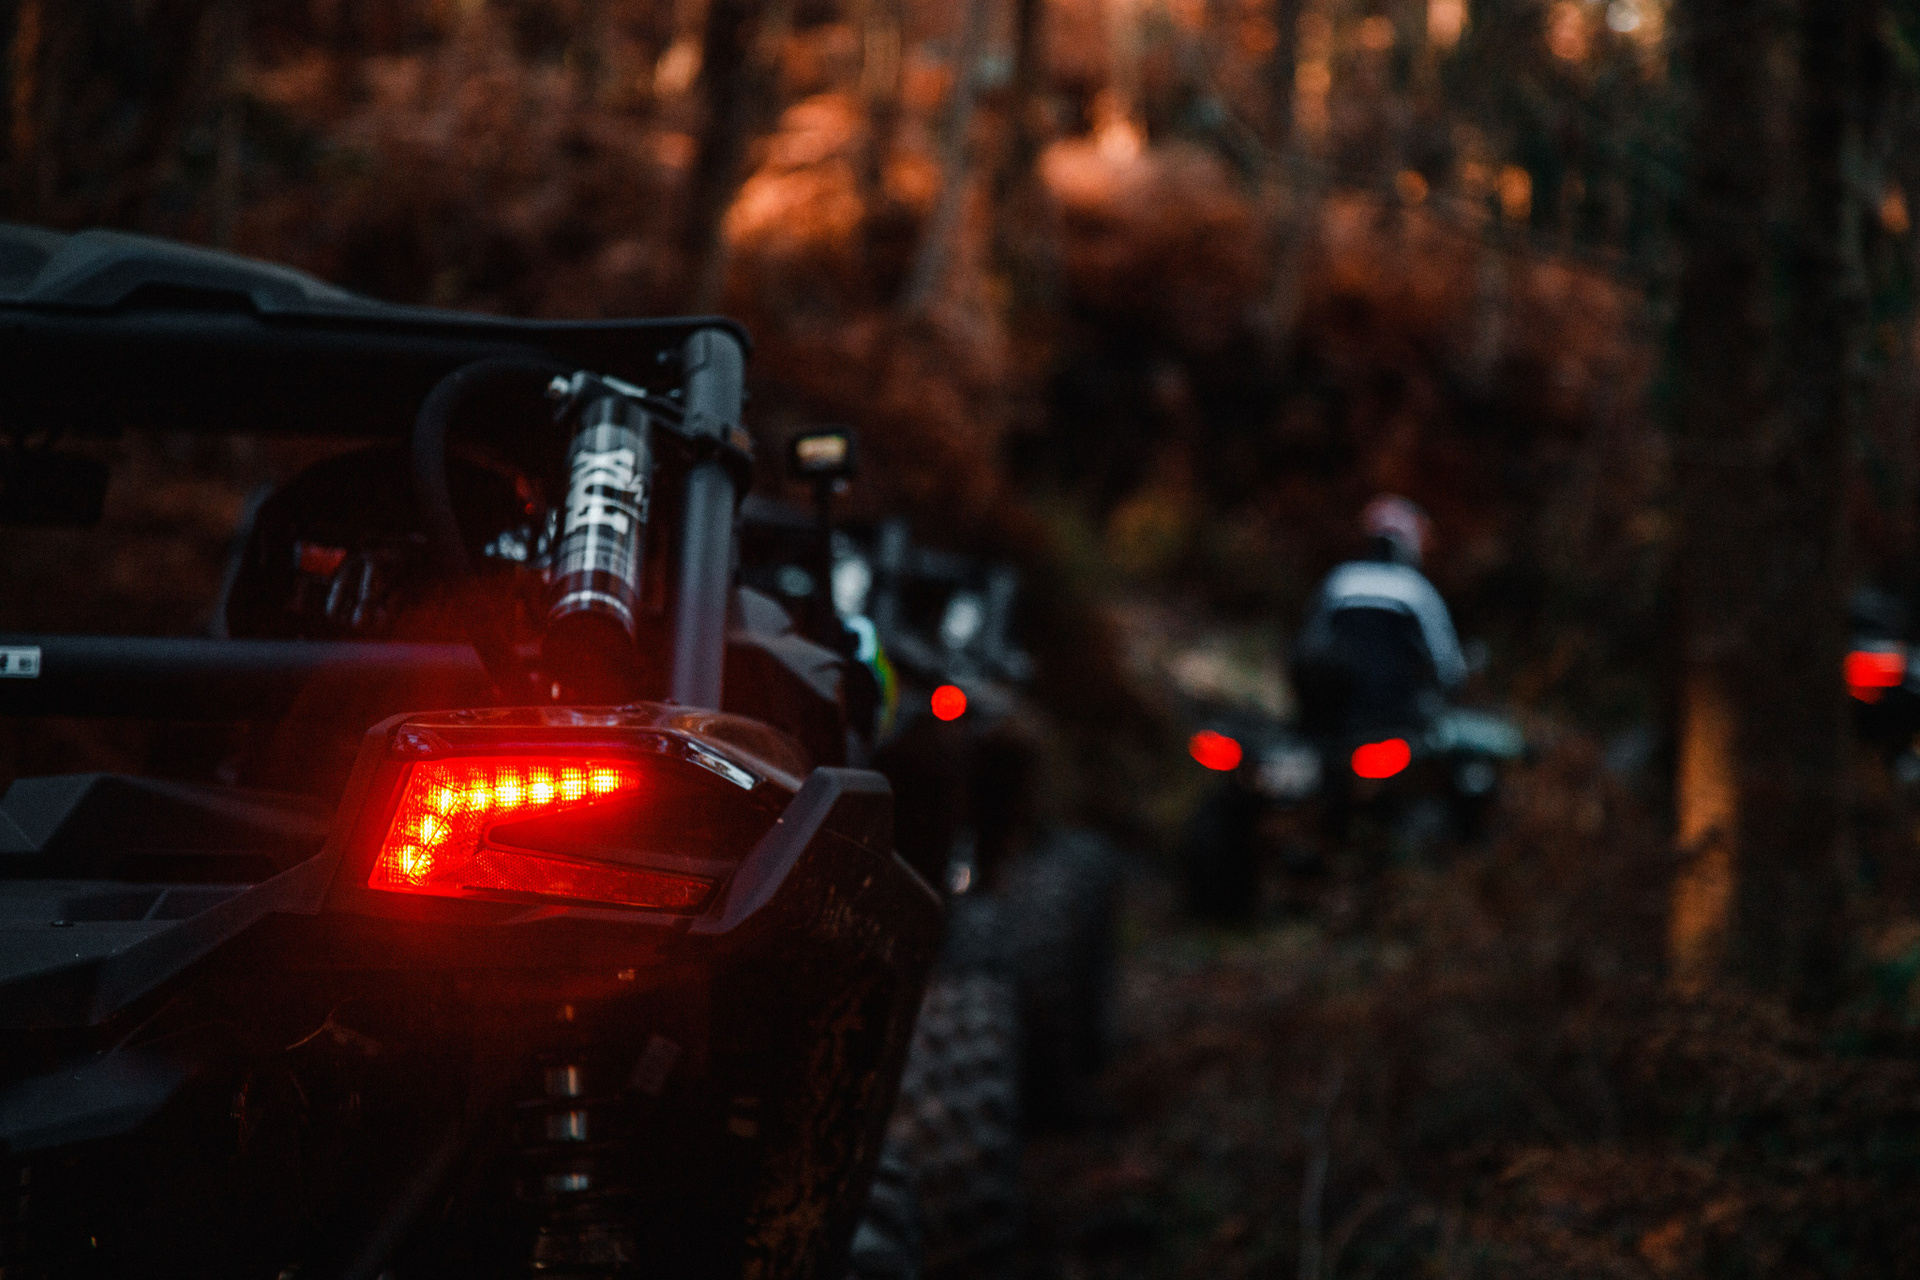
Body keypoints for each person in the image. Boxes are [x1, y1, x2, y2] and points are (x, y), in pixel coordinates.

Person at [1291, 495, 1466, 738]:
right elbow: (1447, 667)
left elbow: (1308, 649)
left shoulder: (1339, 581)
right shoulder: (1418, 590)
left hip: (1336, 721)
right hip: (1401, 721)